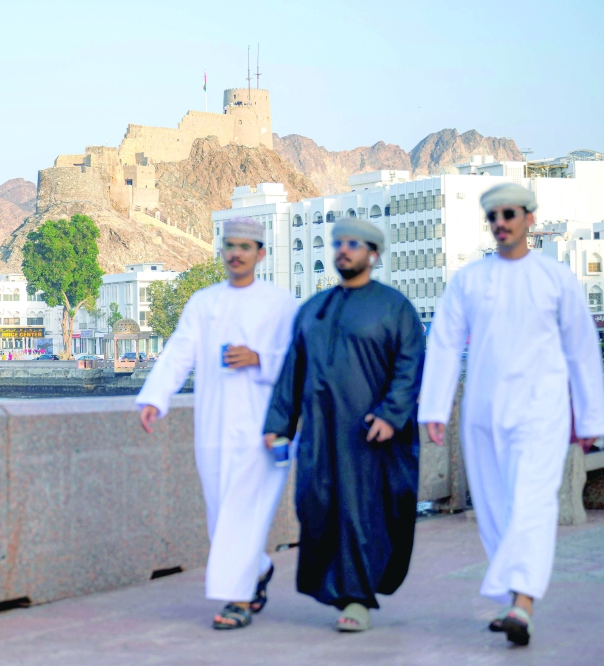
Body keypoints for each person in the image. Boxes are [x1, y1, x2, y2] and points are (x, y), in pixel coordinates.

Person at [418, 182, 604, 646]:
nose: (501, 223)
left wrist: (591, 419)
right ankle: (514, 597)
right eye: (494, 216)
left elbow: (582, 350)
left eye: (510, 214)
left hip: (540, 413)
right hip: (482, 412)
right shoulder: (469, 280)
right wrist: (435, 408)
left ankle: (522, 603)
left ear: (530, 219)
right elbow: (443, 342)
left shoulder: (555, 278)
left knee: (533, 503)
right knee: (496, 507)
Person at [263, 217, 425, 633]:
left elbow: (410, 366)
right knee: (316, 508)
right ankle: (340, 589)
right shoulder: (313, 309)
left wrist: (391, 414)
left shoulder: (394, 307)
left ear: (373, 253)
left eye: (353, 243)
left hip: (369, 436)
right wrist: (279, 423)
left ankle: (356, 599)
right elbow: (291, 372)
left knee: (360, 514)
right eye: (338, 243)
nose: (343, 250)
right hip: (318, 435)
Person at [136, 217, 298, 630]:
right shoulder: (203, 303)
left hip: (265, 426)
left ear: (260, 254)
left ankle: (238, 600)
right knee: (219, 512)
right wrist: (156, 396)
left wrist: (260, 359)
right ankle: (257, 568)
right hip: (212, 425)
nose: (236, 253)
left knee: (242, 511)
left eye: (246, 246)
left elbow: (300, 362)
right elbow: (178, 353)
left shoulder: (282, 304)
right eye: (230, 246)